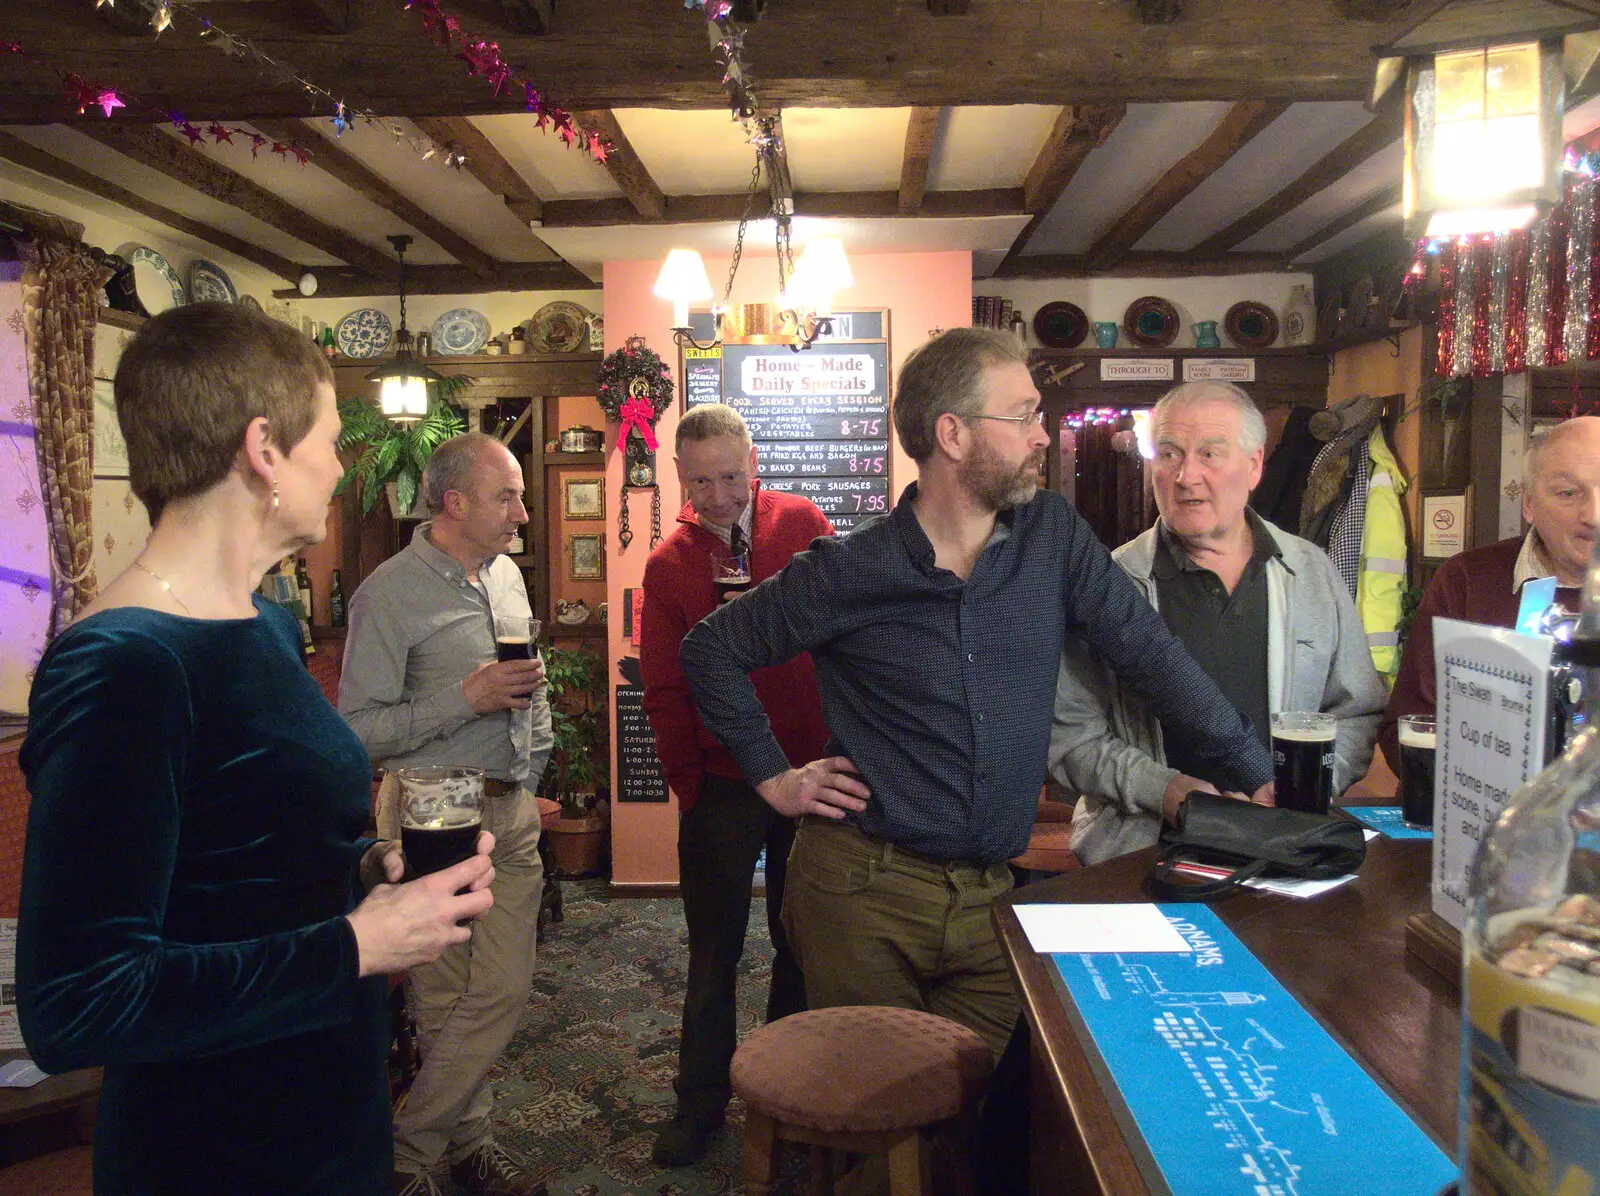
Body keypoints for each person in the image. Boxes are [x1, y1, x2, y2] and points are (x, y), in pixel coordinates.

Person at [678, 327, 1274, 1057]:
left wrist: (1257, 773)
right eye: (1023, 415)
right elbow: (711, 648)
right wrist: (773, 778)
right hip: (863, 892)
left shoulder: (1050, 536)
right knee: (879, 1134)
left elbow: (1150, 654)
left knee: (987, 1113)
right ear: (952, 433)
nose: (1043, 435)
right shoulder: (849, 568)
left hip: (994, 893)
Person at [17, 303, 494, 1195]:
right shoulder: (126, 663)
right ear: (264, 448)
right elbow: (76, 1004)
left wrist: (368, 870)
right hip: (217, 1141)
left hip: (321, 1100)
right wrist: (354, 947)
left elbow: (242, 856)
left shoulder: (266, 628)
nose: (344, 465)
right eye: (329, 438)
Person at [1049, 381, 1386, 865]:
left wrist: (1305, 784)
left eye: (1210, 453)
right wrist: (1167, 793)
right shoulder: (1110, 584)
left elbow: (1356, 711)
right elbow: (1072, 738)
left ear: (1254, 466)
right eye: (1169, 453)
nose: (1186, 475)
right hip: (1140, 856)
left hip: (1284, 848)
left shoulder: (1313, 573)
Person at [339, 433, 552, 1196]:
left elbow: (532, 682)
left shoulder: (505, 577)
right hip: (430, 811)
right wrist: (463, 697)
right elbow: (356, 730)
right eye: (508, 496)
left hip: (510, 809)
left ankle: (405, 1152)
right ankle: (464, 1148)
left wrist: (530, 772)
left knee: (500, 988)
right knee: (443, 1000)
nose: (523, 514)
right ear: (455, 502)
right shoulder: (388, 594)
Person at [640, 404, 834, 1166]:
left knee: (801, 942)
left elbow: (840, 635)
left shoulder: (803, 522)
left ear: (753, 463)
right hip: (723, 783)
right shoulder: (668, 564)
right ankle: (699, 1106)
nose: (718, 497)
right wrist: (689, 785)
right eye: (700, 482)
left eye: (729, 476)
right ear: (680, 478)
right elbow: (662, 686)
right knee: (712, 951)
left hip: (809, 770)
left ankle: (787, 1100)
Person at [1380, 415, 1600, 768]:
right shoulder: (1467, 580)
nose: (1593, 514)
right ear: (1528, 503)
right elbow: (1408, 729)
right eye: (1568, 493)